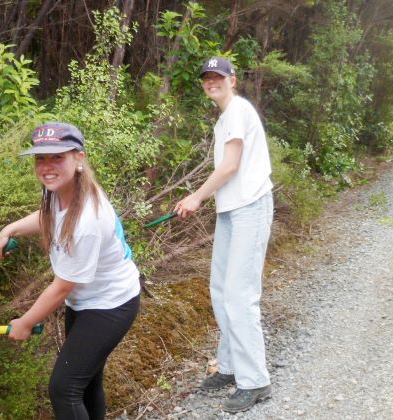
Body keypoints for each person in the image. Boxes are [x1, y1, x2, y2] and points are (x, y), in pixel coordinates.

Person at [0, 122, 141, 420]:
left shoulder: (88, 221)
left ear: (79, 158)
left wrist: (24, 322)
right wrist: (11, 228)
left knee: (64, 389)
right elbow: (48, 216)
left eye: (57, 157)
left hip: (110, 305)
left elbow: (61, 287)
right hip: (86, 301)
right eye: (41, 158)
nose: (47, 166)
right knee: (85, 384)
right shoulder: (61, 190)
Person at [174, 56, 274, 413]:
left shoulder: (238, 111)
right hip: (231, 210)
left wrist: (196, 197)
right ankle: (230, 366)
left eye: (218, 76)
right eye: (207, 77)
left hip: (251, 207)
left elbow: (230, 166)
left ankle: (255, 380)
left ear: (233, 80)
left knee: (239, 294)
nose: (211, 82)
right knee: (221, 289)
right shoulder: (226, 117)